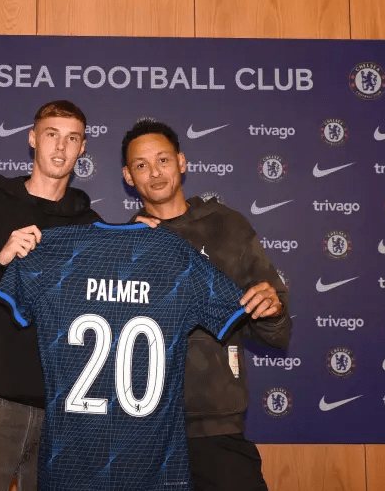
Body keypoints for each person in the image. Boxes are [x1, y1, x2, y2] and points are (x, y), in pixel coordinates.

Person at [0, 220, 248, 491]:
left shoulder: (49, 252)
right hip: (152, 466)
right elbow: (236, 309)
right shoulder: (174, 253)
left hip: (72, 464)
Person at [121, 119, 291, 491]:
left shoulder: (228, 227)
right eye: (141, 165)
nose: (155, 172)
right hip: (143, 432)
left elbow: (276, 330)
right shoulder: (122, 244)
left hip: (218, 428)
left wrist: (272, 310)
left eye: (163, 160)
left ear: (182, 162)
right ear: (128, 176)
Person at [0, 100, 100, 491]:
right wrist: (1, 258)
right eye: (51, 135)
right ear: (32, 140)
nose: (60, 148)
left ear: (82, 149)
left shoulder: (90, 225)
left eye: (72, 138)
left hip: (63, 412)